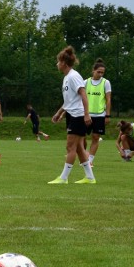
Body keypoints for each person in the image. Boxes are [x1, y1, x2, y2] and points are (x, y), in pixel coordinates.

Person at [48, 46, 96, 184]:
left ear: (63, 63)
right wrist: (59, 113)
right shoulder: (67, 78)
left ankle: (63, 178)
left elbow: (83, 95)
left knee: (70, 147)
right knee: (79, 148)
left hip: (78, 116)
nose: (57, 64)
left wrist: (86, 114)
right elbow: (69, 101)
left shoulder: (74, 76)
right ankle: (90, 177)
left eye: (58, 62)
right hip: (72, 115)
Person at [85, 58, 112, 166]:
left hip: (100, 115)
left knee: (96, 137)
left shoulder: (106, 82)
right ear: (93, 71)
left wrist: (107, 115)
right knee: (81, 138)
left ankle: (90, 161)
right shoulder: (85, 82)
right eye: (98, 72)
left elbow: (108, 99)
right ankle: (85, 154)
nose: (100, 74)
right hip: (86, 115)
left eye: (102, 72)